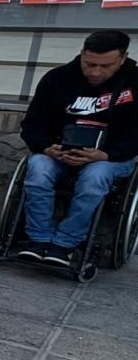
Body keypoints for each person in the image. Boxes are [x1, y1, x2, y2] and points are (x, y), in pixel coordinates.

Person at [16, 29, 137, 266]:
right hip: (58, 151)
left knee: (95, 177)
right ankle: (39, 240)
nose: (96, 72)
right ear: (81, 54)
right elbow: (32, 123)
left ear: (123, 58)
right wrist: (46, 147)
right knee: (37, 167)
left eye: (106, 66)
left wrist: (106, 154)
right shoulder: (57, 78)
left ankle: (65, 244)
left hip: (109, 157)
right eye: (89, 64)